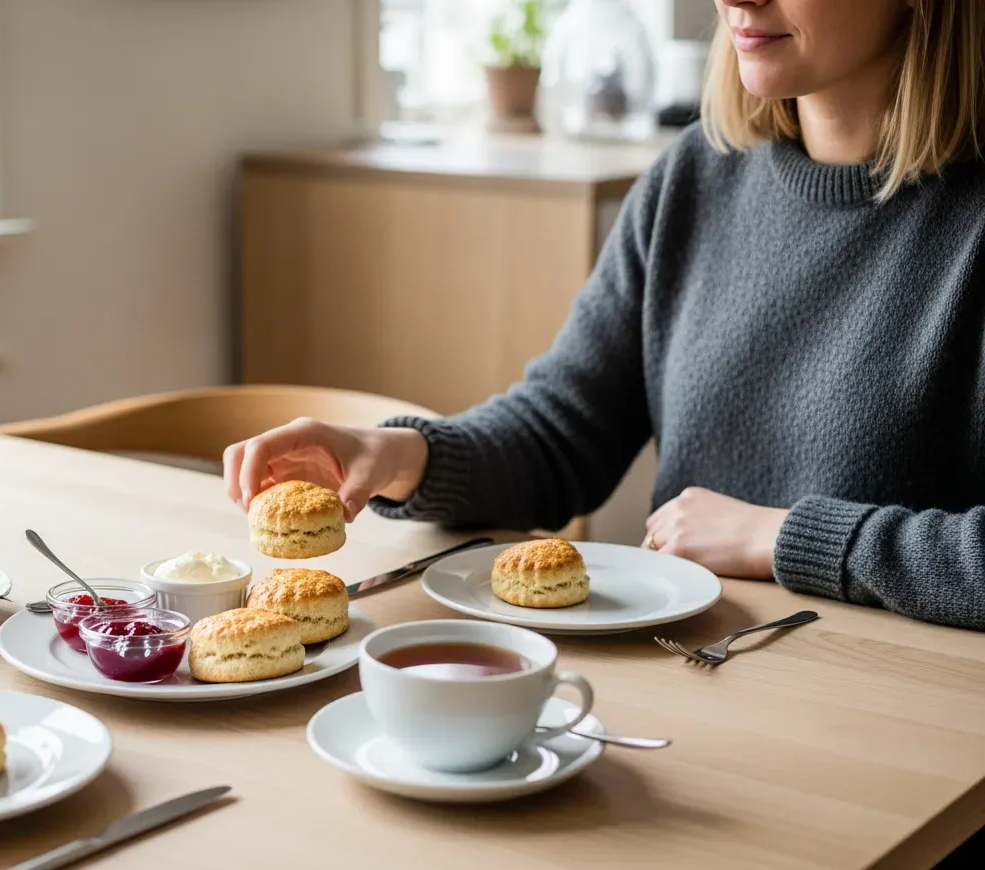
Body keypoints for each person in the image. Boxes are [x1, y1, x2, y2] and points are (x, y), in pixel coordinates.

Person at [223, 0, 985, 633]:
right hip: (703, 678)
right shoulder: (693, 178)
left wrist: (785, 536)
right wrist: (396, 456)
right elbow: (562, 434)